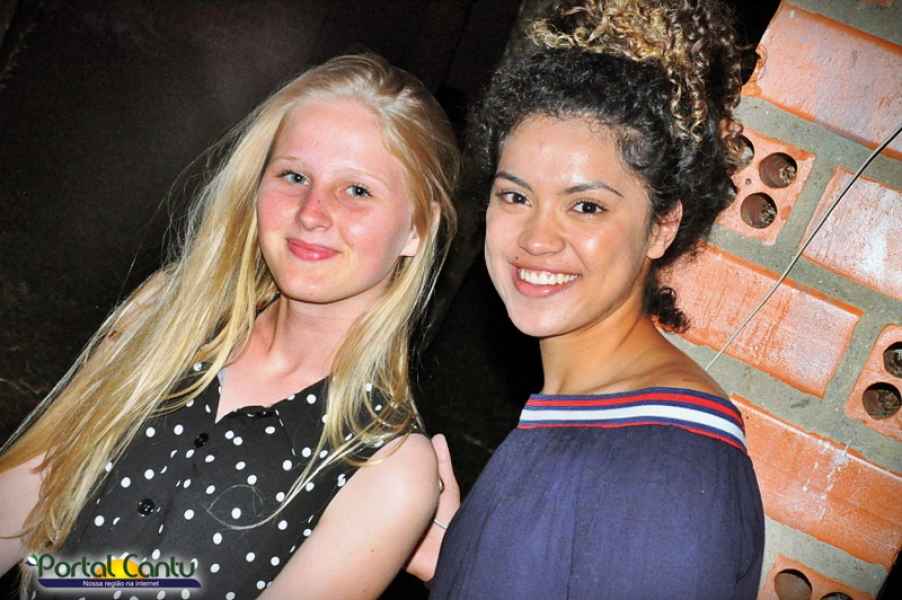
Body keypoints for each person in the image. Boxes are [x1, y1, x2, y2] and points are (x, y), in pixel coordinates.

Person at [0, 52, 459, 599]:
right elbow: (27, 497)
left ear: (417, 229)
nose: (312, 212)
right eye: (294, 176)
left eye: (356, 190)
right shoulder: (166, 318)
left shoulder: (386, 467)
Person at [426, 1, 765, 598]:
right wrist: (456, 558)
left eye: (586, 206)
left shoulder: (664, 466)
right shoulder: (587, 412)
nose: (536, 238)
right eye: (515, 197)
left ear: (661, 226)